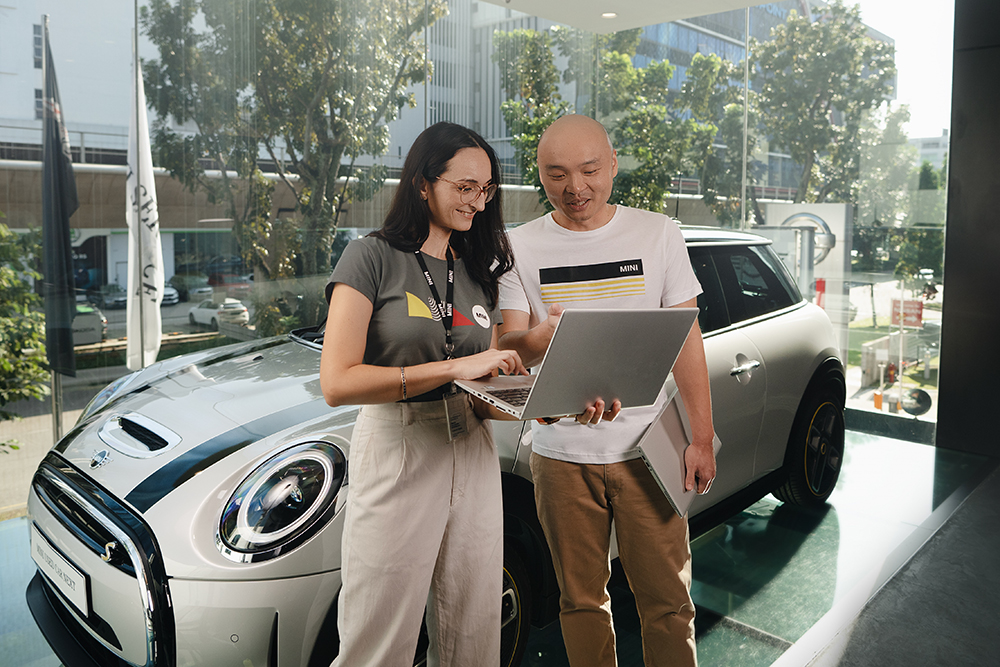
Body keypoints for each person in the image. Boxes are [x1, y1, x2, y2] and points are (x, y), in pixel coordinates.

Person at [497, 114, 717, 667]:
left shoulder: (658, 233)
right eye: (556, 174)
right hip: (560, 458)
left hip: (649, 449)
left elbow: (686, 337)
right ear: (540, 176)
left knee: (667, 603)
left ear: (613, 166)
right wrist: (541, 357)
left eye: (590, 170)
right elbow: (510, 348)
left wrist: (703, 436)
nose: (575, 188)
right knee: (581, 601)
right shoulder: (517, 245)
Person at [320, 121, 526, 667]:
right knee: (377, 641)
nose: (478, 202)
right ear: (421, 183)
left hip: (474, 450)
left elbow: (485, 390)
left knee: (474, 636)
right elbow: (337, 382)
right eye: (464, 187)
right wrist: (456, 365)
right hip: (399, 447)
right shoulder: (369, 257)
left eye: (486, 190)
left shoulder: (479, 274)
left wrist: (545, 407)